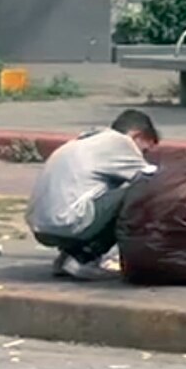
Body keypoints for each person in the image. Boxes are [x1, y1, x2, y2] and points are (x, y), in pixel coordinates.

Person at [26, 109, 160, 280]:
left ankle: (67, 258)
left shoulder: (84, 141)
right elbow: (154, 180)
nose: (142, 156)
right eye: (145, 150)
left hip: (42, 227)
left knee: (103, 193)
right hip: (68, 223)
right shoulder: (119, 143)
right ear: (136, 135)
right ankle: (83, 259)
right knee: (141, 191)